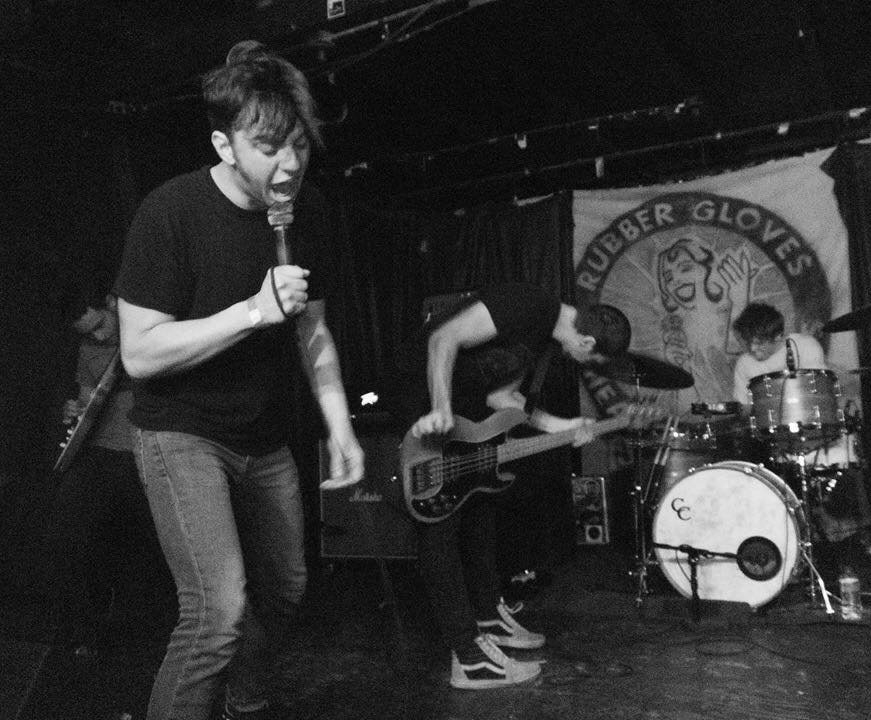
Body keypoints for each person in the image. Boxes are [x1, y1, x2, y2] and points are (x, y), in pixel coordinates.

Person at [114, 41, 364, 720]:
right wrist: (251, 312)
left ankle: (242, 703)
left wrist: (340, 427)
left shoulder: (310, 211)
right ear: (224, 146)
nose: (291, 165)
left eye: (300, 145)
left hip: (265, 438)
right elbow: (140, 354)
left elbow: (313, 331)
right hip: (182, 433)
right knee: (217, 611)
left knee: (285, 590)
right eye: (269, 147)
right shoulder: (171, 212)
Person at [396, 282, 631, 689]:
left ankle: (488, 617)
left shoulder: (544, 340)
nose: (584, 364)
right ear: (587, 341)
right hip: (425, 410)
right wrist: (440, 408)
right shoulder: (530, 305)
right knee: (441, 528)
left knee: (481, 509)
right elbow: (442, 339)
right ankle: (469, 659)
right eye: (591, 358)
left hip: (466, 421)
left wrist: (563, 426)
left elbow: (502, 399)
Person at [44, 285, 174, 656]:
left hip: (145, 455)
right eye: (88, 333)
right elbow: (88, 401)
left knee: (157, 549)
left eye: (100, 325)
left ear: (111, 304)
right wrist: (74, 409)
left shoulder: (147, 335)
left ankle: (166, 637)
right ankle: (86, 632)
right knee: (66, 536)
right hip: (99, 456)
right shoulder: (88, 348)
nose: (98, 336)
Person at [730, 303, 871, 563]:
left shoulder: (804, 346)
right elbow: (745, 409)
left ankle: (864, 539)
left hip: (819, 433)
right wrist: (737, 411)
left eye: (759, 343)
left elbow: (816, 395)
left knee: (852, 456)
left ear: (779, 336)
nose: (753, 349)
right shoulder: (744, 364)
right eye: (748, 342)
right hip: (777, 441)